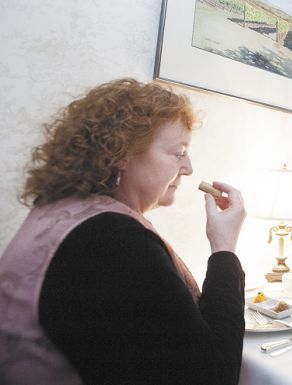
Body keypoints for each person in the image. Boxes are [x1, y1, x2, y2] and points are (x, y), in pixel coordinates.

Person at [0, 78, 246, 385]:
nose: (189, 169)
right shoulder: (111, 243)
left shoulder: (63, 213)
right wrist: (224, 248)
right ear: (122, 152)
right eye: (178, 152)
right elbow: (214, 376)